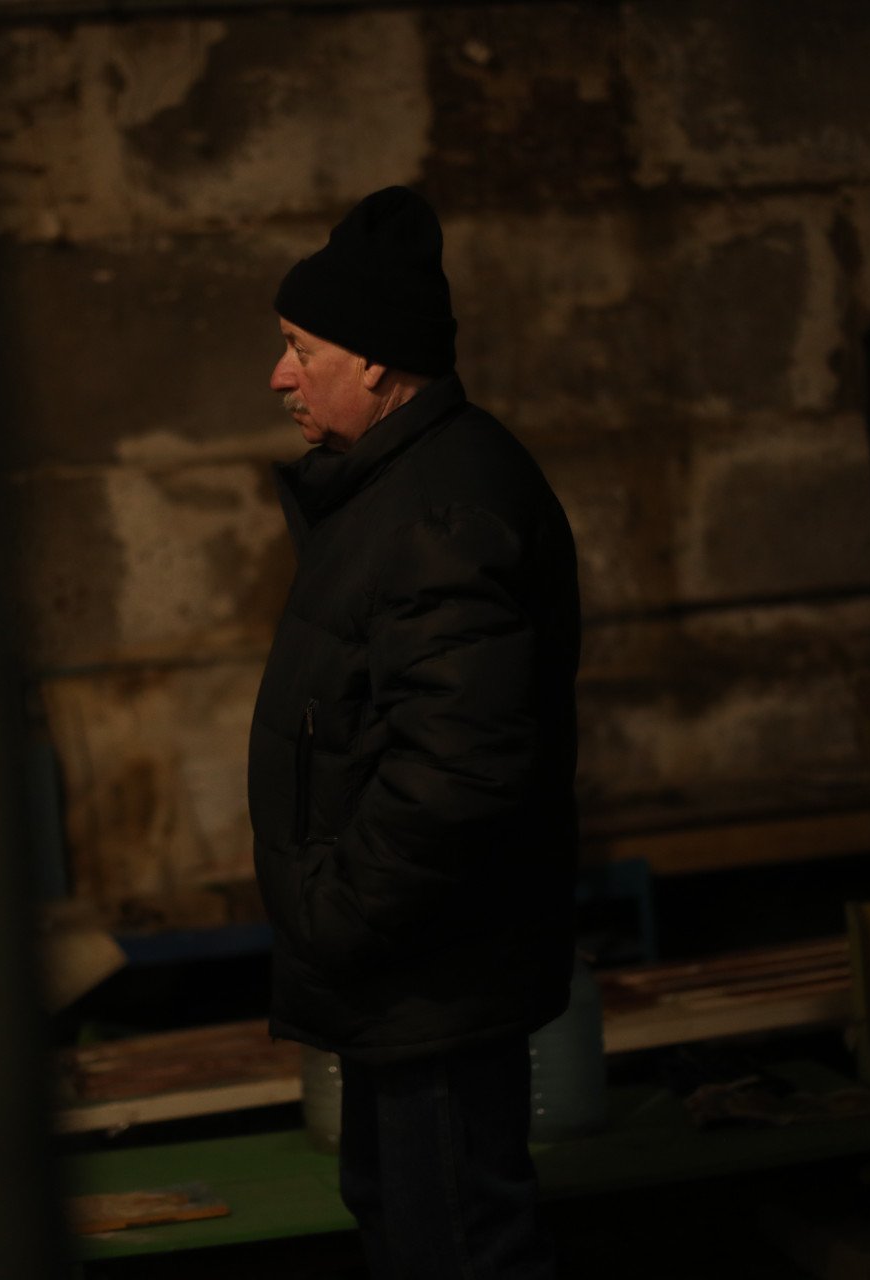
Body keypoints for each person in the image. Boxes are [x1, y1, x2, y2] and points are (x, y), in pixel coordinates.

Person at [248, 185, 580, 1280]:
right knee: (409, 1227)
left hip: (429, 973)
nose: (280, 374)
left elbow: (461, 763)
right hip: (405, 977)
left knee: (455, 1246)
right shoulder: (396, 488)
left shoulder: (439, 507)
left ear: (381, 363)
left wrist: (337, 912)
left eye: (302, 348)